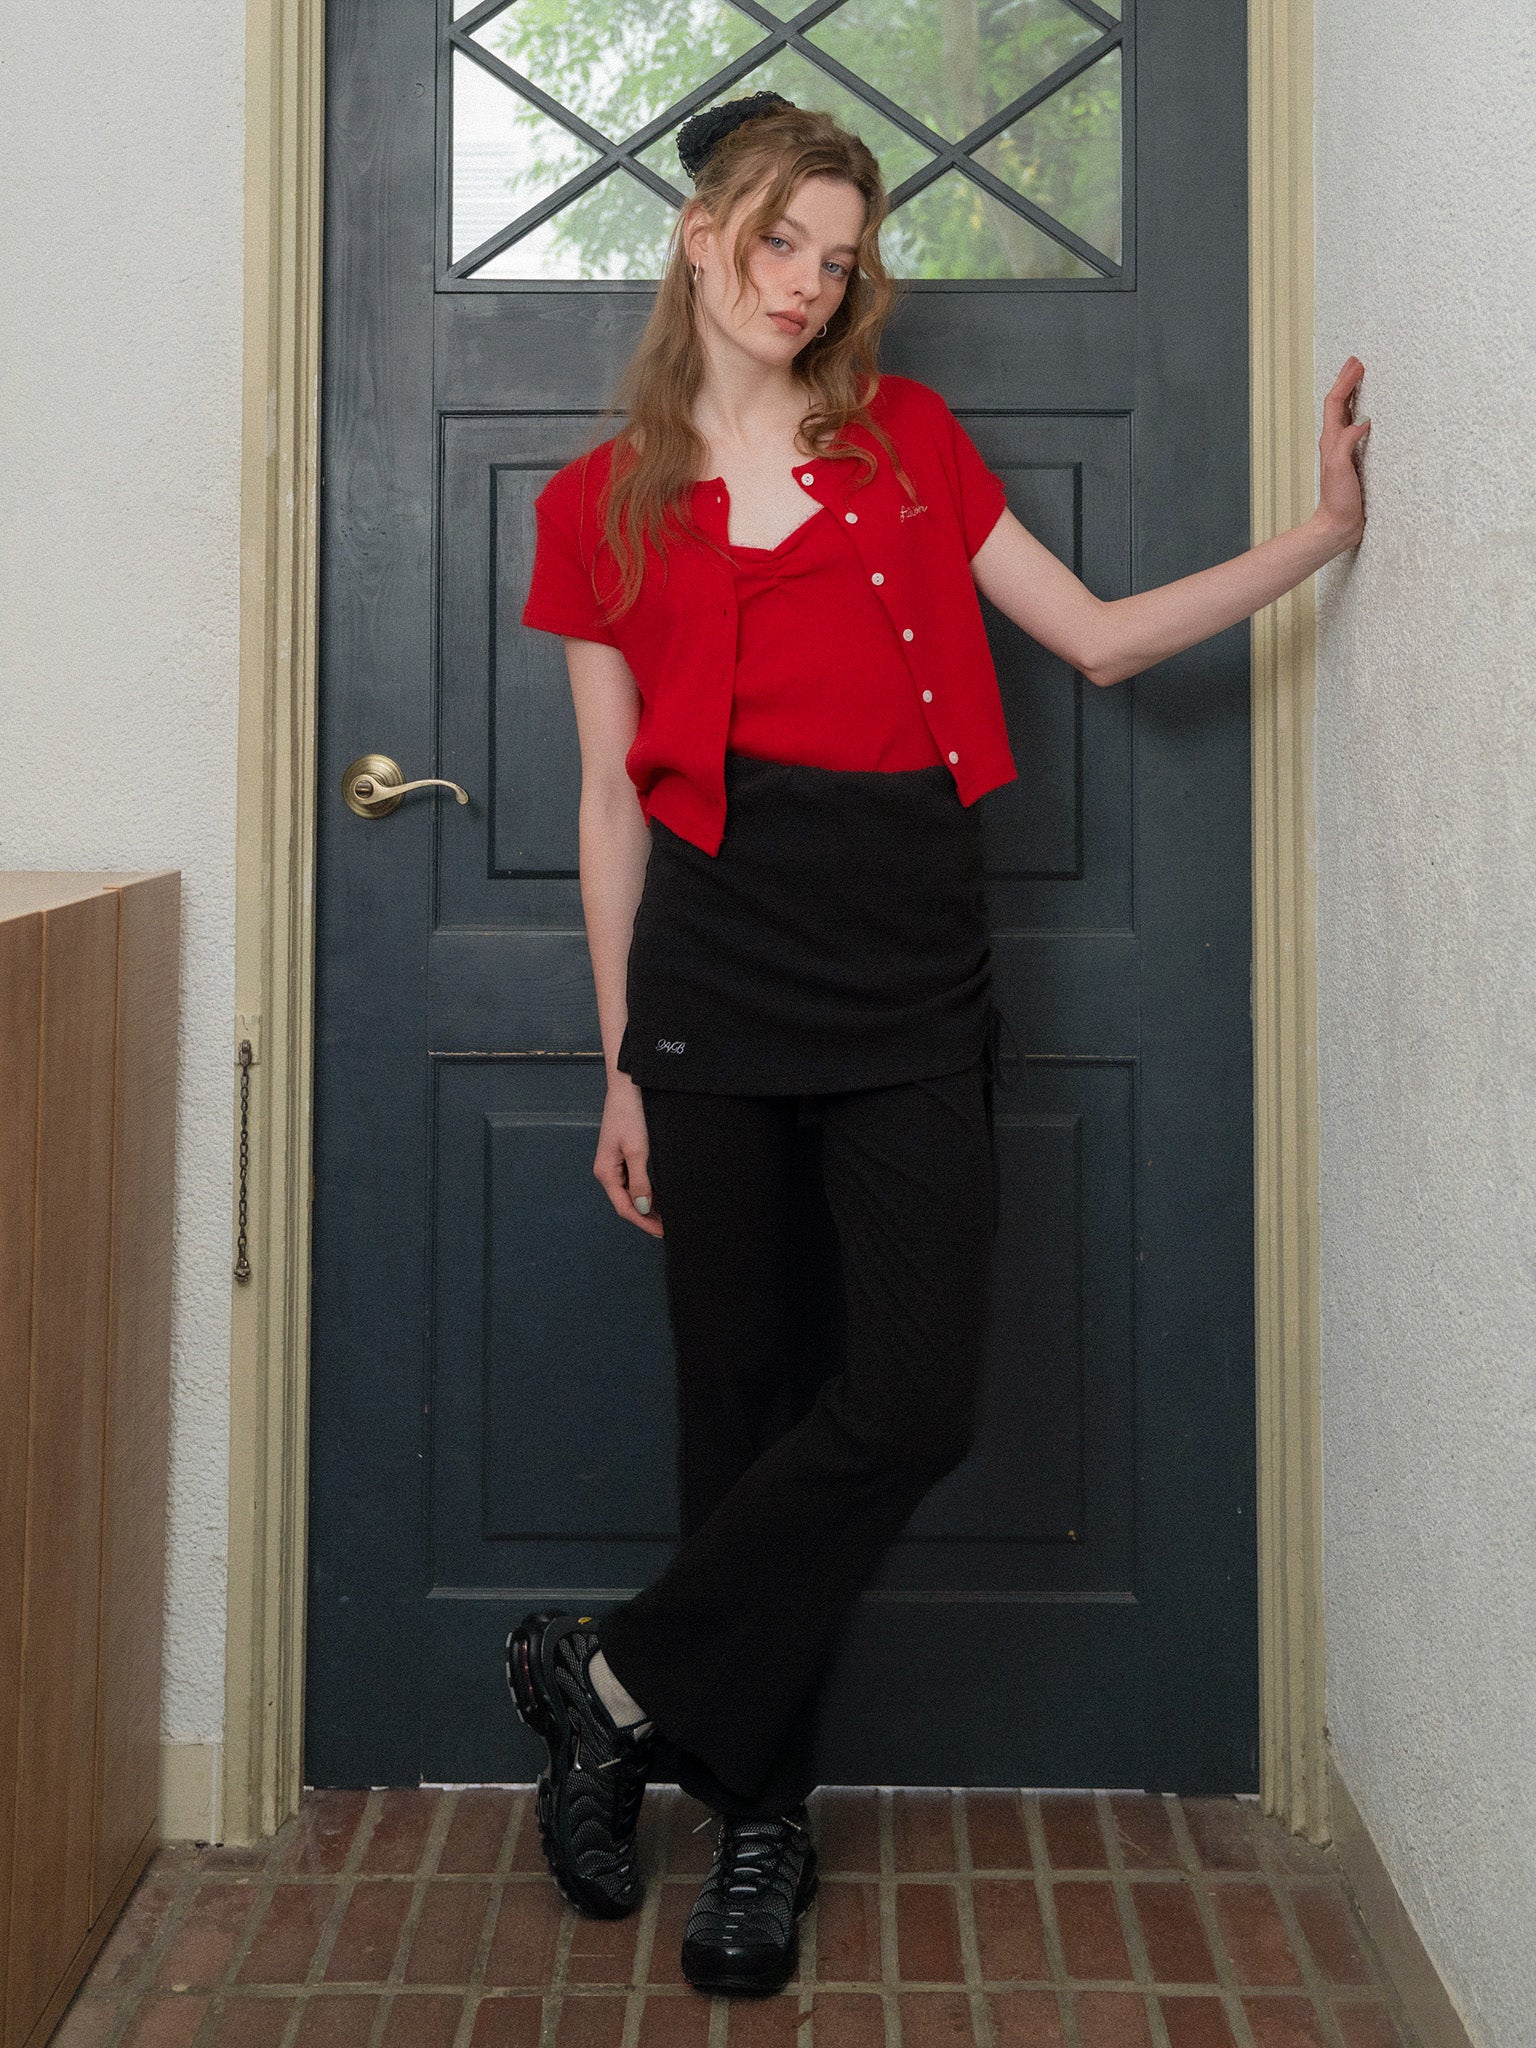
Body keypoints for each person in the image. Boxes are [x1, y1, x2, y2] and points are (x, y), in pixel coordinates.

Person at [505, 91, 1370, 1999]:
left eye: (838, 257)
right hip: (712, 979)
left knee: (913, 1399)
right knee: (739, 1409)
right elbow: (606, 803)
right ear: (699, 237)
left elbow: (1104, 640)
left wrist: (1321, 536)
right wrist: (620, 1059)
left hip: (908, 965)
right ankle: (757, 1817)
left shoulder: (906, 443)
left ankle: (609, 1686)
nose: (808, 284)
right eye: (778, 242)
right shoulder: (596, 507)